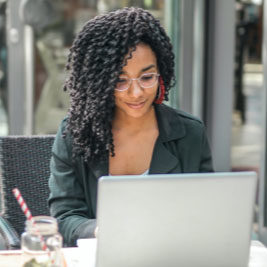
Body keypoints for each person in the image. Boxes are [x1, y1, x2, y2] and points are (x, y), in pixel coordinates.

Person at [48, 7, 213, 247]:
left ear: (161, 74)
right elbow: (64, 219)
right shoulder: (75, 134)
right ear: (100, 83)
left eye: (147, 78)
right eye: (120, 81)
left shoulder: (190, 134)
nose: (136, 93)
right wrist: (100, 229)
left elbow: (206, 214)